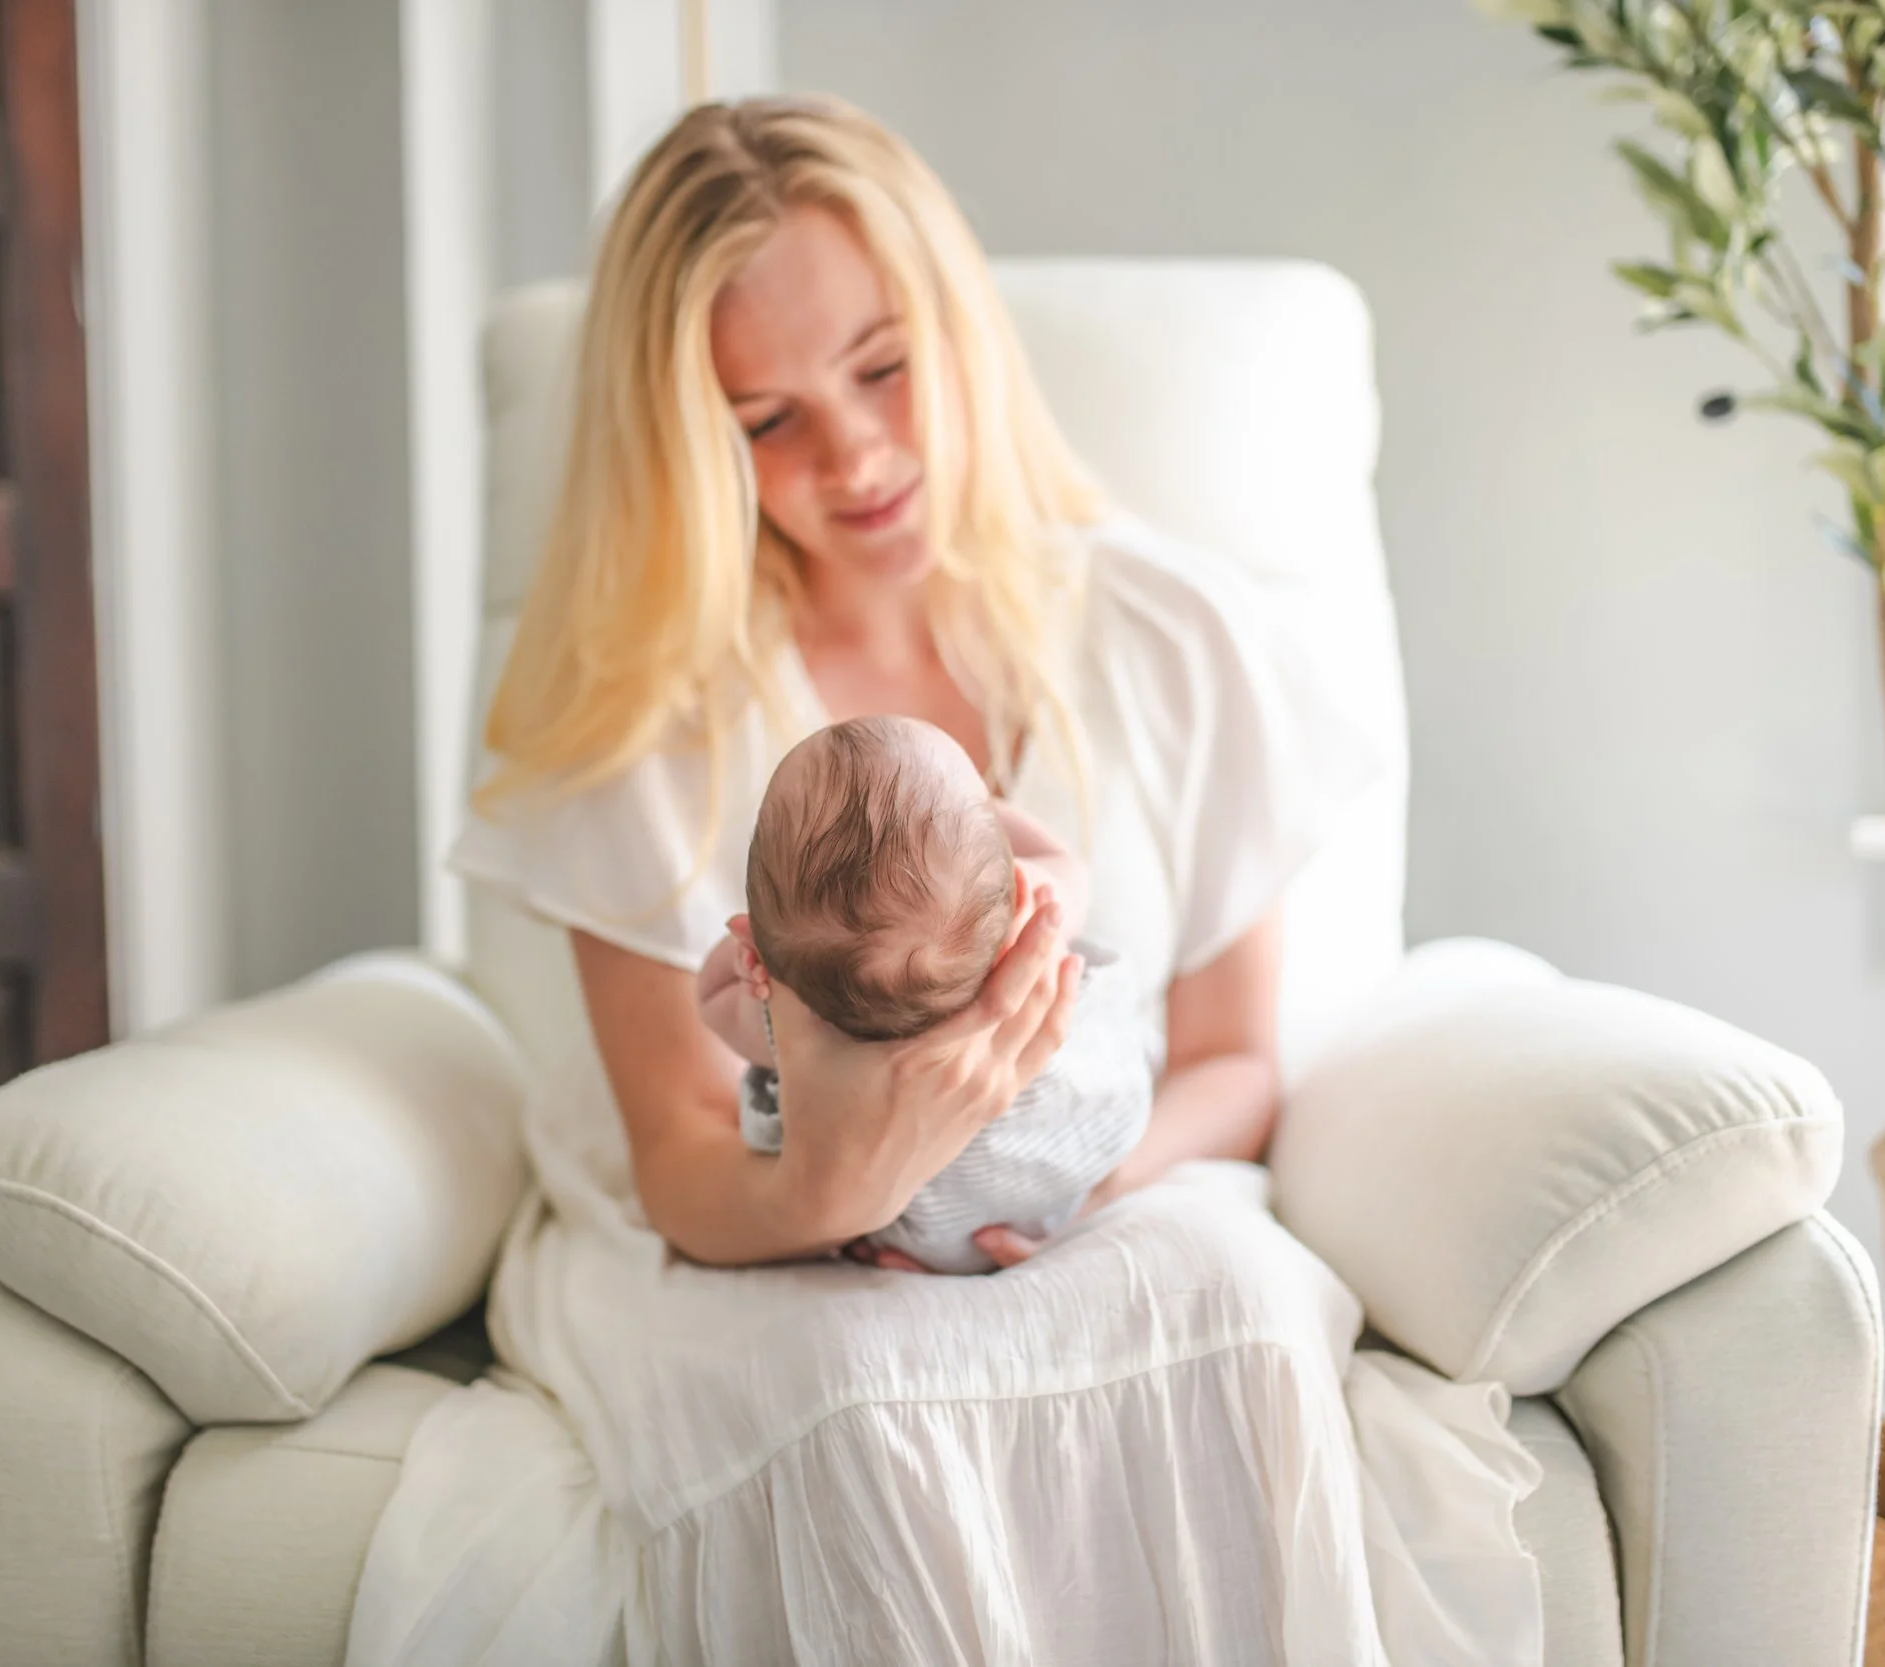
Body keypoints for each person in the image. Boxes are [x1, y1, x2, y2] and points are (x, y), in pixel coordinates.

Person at [355, 94, 1544, 1664]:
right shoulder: (643, 715)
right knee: (870, 1395)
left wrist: (1062, 1183)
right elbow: (680, 1155)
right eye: (763, 419)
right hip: (741, 1238)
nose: (853, 456)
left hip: (1111, 1180)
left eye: (883, 366)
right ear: (685, 444)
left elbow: (1235, 1054)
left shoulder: (1171, 637)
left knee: (1234, 1314)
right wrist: (839, 1188)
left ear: (958, 325)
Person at [697, 713, 1150, 1275]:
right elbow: (1067, 865)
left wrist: (756, 963)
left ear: (752, 940)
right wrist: (977, 825)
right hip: (1069, 1154)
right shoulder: (1028, 922)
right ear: (1008, 875)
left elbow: (712, 998)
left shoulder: (786, 1031)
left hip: (924, 1231)